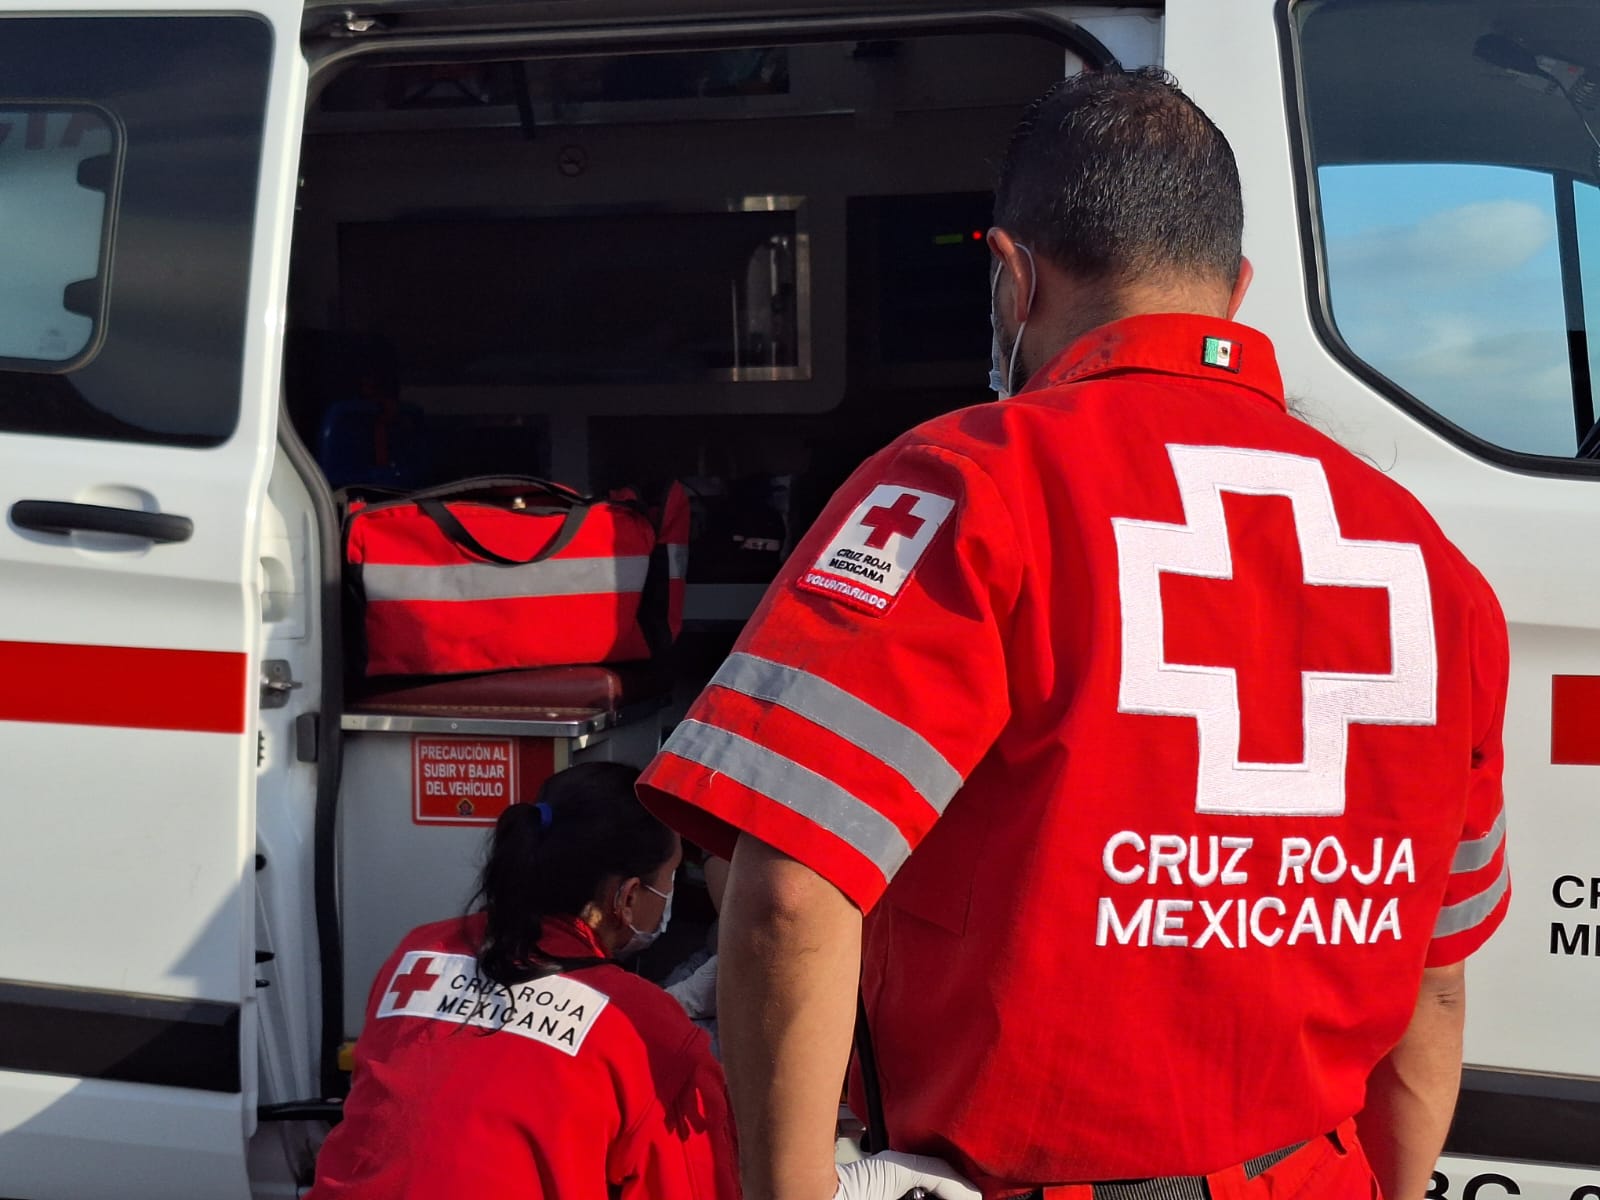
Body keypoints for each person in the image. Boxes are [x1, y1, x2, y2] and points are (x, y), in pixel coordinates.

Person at [638, 68, 1510, 1200]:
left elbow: (794, 887)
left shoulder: (972, 485)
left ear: (1011, 276)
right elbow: (1433, 987)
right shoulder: (1431, 563)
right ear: (1234, 288)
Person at [306, 762, 739, 1200]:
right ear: (627, 897)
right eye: (671, 879)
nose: (670, 896)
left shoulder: (420, 952)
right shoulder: (648, 1030)